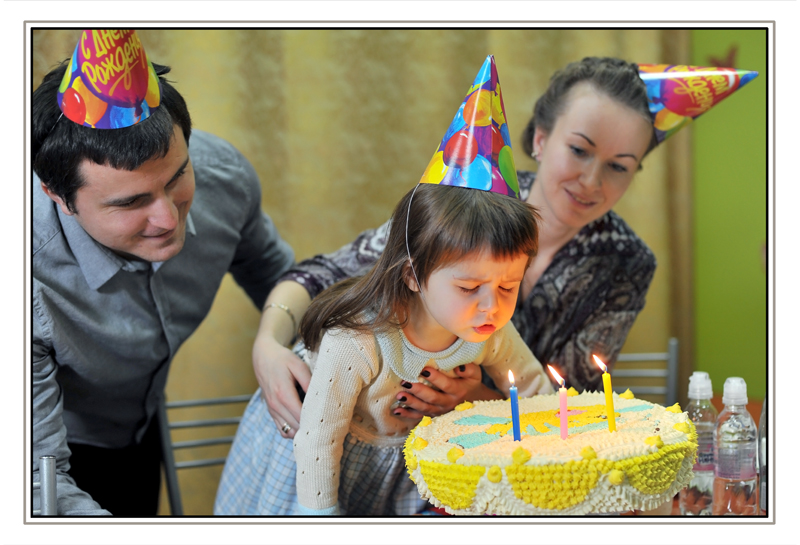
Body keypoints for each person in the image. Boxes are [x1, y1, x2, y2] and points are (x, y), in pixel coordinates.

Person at [253, 57, 659, 440]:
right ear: (541, 138)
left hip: (483, 446)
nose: (591, 180)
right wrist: (268, 344)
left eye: (618, 166)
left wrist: (475, 401)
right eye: (579, 150)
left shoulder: (626, 262)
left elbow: (568, 396)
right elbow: (319, 274)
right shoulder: (465, 203)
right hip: (336, 423)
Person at [215, 56, 553, 516]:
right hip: (310, 463)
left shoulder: (491, 328)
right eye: (469, 287)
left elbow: (536, 392)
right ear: (412, 274)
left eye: (509, 287)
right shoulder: (357, 340)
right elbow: (319, 439)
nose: (491, 307)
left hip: (397, 471)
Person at [32, 30, 294, 516]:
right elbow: (36, 484)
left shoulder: (223, 177)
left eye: (177, 179)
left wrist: (284, 342)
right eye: (130, 202)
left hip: (139, 427)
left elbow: (282, 278)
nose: (169, 219)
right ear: (57, 195)